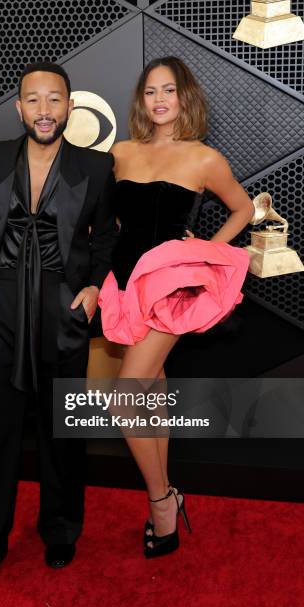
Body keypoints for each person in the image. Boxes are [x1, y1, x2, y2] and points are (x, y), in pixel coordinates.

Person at [0, 61, 116, 590]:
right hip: (1, 309)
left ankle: (61, 531)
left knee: (61, 430)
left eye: (55, 99)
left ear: (71, 105)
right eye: (34, 100)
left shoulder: (95, 166)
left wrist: (92, 292)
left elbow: (108, 236)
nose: (45, 110)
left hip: (62, 310)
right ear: (19, 108)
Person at [98, 57, 254, 559]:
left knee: (125, 398)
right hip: (123, 281)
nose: (159, 99)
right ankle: (167, 497)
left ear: (186, 97)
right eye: (150, 91)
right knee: (150, 393)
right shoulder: (120, 152)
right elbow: (110, 217)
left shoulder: (204, 158)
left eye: (169, 90)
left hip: (168, 287)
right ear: (141, 100)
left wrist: (206, 249)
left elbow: (244, 208)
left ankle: (161, 500)